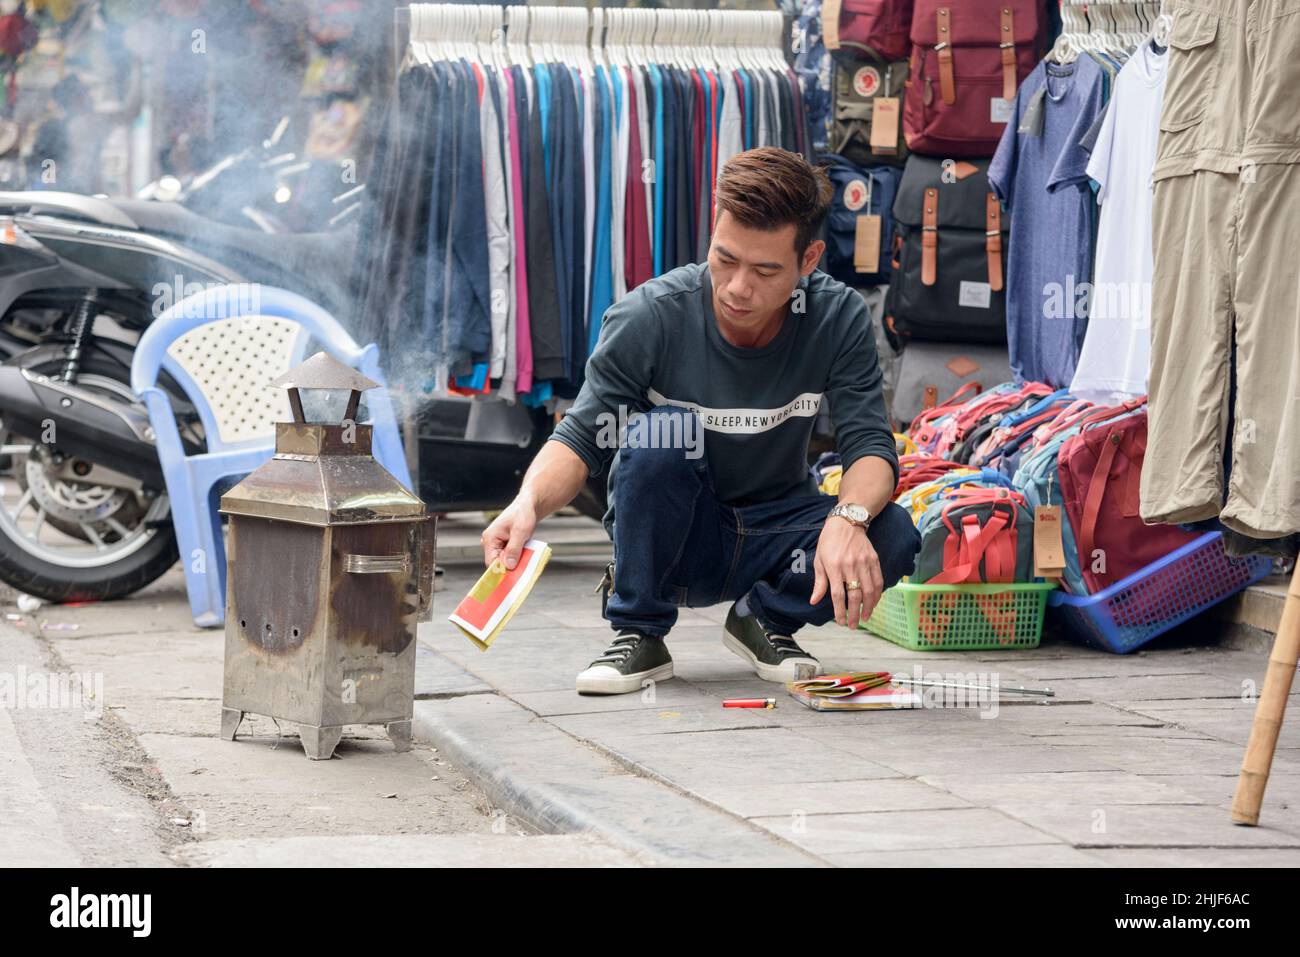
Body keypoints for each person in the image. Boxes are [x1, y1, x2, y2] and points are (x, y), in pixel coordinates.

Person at [482, 146, 920, 695]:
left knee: (894, 531)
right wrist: (526, 507)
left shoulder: (837, 317)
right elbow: (580, 436)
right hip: (678, 538)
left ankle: (766, 619)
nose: (738, 287)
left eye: (765, 270)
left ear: (808, 261)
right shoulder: (650, 316)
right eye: (725, 258)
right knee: (661, 432)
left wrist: (849, 518)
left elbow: (871, 447)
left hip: (775, 535)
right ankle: (638, 631)